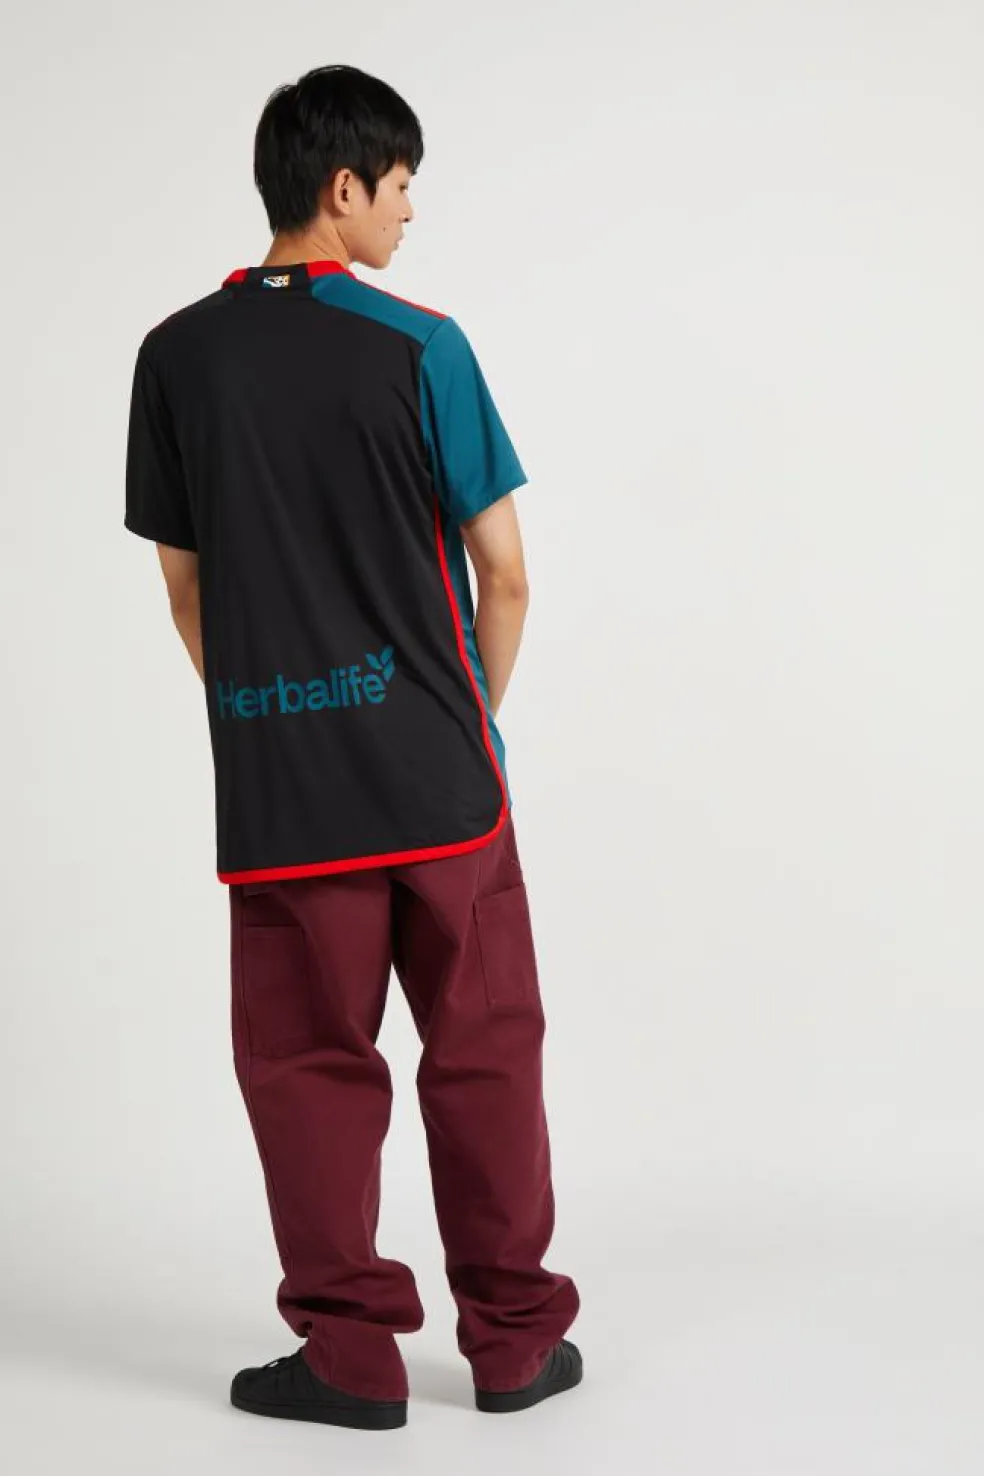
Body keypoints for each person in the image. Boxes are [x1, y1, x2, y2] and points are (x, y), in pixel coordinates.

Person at [123, 63, 581, 1432]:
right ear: (342, 188)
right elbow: (507, 575)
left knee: (308, 1067)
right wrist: (469, 716)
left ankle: (348, 1358)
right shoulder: (423, 345)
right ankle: (513, 1343)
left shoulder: (174, 358)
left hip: (284, 793)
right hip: (444, 783)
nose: (410, 210)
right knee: (484, 1051)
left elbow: (188, 592)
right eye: (400, 185)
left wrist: (273, 715)